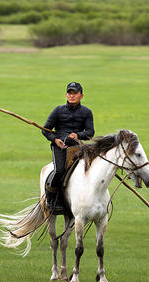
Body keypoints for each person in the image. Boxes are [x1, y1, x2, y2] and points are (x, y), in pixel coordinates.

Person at [42, 82, 95, 212]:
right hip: (60, 147)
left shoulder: (86, 112)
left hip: (77, 147)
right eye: (69, 93)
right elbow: (45, 130)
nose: (72, 96)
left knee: (88, 171)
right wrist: (55, 139)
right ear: (66, 95)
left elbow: (90, 133)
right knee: (59, 170)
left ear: (81, 96)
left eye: (75, 93)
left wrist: (78, 135)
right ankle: (50, 201)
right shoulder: (58, 110)